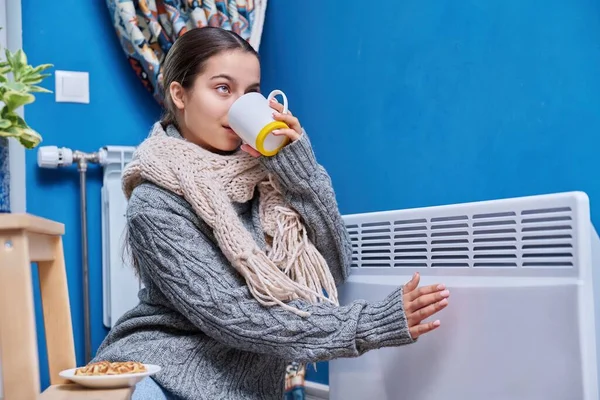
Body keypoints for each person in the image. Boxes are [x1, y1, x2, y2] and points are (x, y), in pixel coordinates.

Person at [92, 26, 450, 400]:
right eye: (222, 88)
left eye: (250, 93)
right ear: (180, 95)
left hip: (249, 383)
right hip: (166, 374)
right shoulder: (154, 202)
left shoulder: (268, 180)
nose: (238, 105)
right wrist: (367, 324)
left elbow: (334, 269)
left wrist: (298, 167)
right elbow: (232, 314)